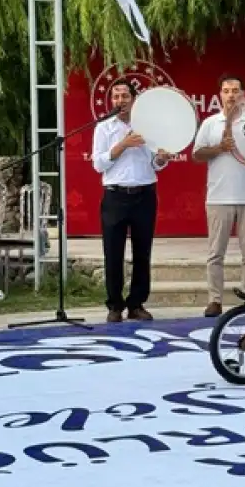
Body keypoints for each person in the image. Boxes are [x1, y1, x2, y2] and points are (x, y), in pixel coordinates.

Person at [91, 78, 171, 323]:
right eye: (115, 97)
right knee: (113, 252)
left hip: (144, 194)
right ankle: (114, 305)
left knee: (142, 252)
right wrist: (122, 145)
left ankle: (136, 304)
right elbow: (98, 163)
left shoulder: (148, 127)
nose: (120, 101)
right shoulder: (104, 128)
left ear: (134, 100)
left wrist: (161, 158)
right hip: (115, 195)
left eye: (125, 96)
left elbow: (156, 164)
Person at [192, 75, 245, 318]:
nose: (231, 95)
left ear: (243, 95)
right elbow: (197, 154)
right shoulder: (210, 123)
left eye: (235, 91)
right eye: (226, 91)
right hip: (218, 197)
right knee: (216, 253)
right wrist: (219, 149)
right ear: (220, 95)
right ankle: (214, 300)